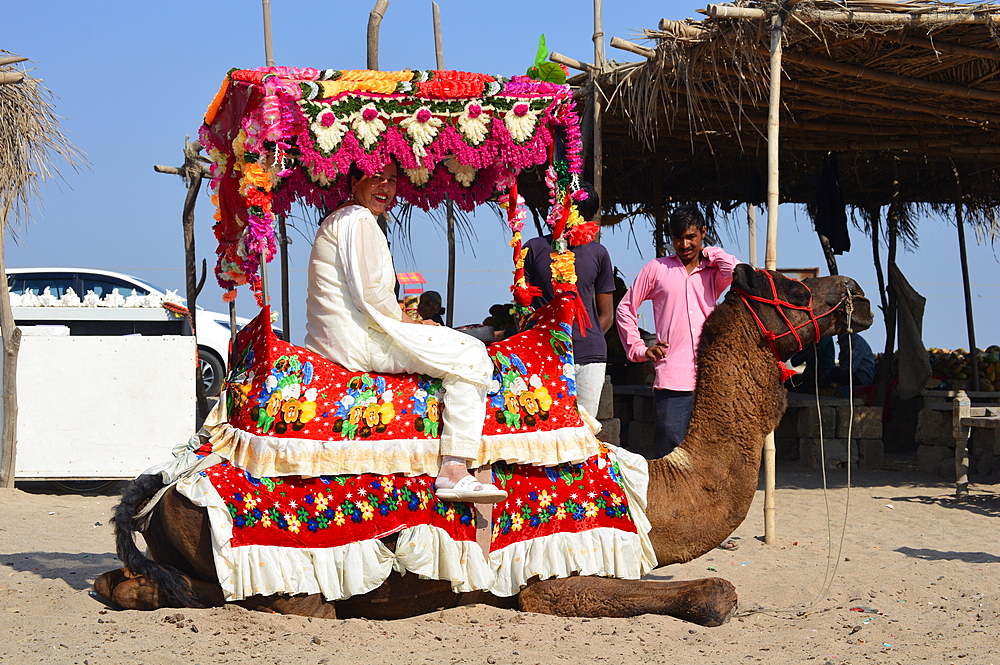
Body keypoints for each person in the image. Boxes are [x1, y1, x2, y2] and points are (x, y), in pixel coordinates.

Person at [304, 160, 506, 503]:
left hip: (345, 336)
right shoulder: (358, 219)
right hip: (359, 340)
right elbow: (369, 294)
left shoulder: (340, 218)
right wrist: (410, 323)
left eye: (393, 180)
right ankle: (455, 470)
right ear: (354, 181)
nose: (385, 187)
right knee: (472, 354)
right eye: (376, 178)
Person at [616, 204, 739, 458]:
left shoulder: (713, 272)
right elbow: (625, 308)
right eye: (678, 238)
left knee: (709, 454)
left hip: (710, 379)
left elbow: (735, 271)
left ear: (703, 233)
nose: (684, 244)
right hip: (672, 382)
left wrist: (710, 253)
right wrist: (639, 349)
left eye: (691, 237)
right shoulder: (657, 269)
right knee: (671, 457)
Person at [523, 181, 616, 417]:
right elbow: (522, 307)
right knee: (548, 428)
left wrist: (587, 337)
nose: (576, 219)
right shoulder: (534, 249)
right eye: (572, 210)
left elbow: (607, 314)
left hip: (590, 358)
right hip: (546, 353)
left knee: (584, 431)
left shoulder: (599, 253)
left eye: (583, 215)